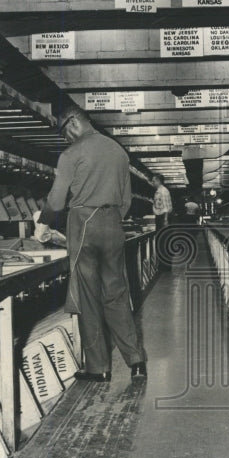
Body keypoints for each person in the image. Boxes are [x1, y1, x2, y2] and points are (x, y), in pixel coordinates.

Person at [35, 108, 146, 383]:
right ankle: (136, 362)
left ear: (73, 122)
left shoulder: (72, 154)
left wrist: (43, 225)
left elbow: (58, 200)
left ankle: (100, 368)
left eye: (64, 132)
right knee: (117, 294)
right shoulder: (118, 151)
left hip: (83, 223)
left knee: (87, 296)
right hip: (113, 225)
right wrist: (111, 219)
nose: (65, 139)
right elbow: (126, 199)